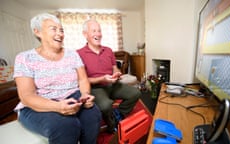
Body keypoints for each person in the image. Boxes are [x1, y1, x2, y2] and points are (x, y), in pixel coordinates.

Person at [13, 13, 102, 144]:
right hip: (38, 104)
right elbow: (27, 95)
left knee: (93, 115)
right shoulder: (24, 58)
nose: (60, 34)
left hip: (73, 96)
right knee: (66, 126)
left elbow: (82, 80)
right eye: (53, 29)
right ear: (37, 32)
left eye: (61, 30)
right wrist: (58, 106)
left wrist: (85, 95)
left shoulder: (72, 54)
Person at [77, 19, 141, 133]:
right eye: (94, 31)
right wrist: (102, 78)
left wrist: (117, 73)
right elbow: (82, 80)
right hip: (96, 88)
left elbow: (114, 68)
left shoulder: (108, 50)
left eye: (99, 30)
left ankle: (119, 114)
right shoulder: (78, 54)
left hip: (113, 84)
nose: (98, 34)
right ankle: (112, 126)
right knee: (106, 105)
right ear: (85, 34)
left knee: (135, 93)